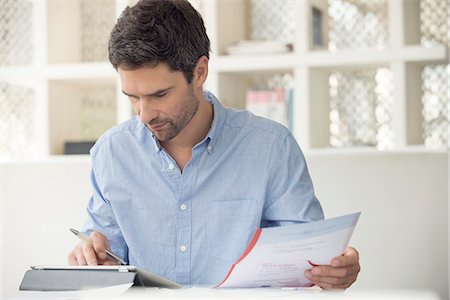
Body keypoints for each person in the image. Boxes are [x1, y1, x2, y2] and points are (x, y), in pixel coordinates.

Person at [68, 0, 360, 289]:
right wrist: (92, 261)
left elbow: (307, 262)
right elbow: (107, 260)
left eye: (159, 94)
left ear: (199, 72)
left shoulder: (271, 148)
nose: (144, 114)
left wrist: (334, 270)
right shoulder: (111, 153)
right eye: (132, 96)